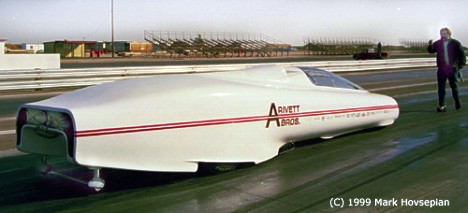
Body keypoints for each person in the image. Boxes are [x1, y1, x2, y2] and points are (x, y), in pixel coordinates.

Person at [428, 27, 466, 112]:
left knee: (454, 87)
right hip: (442, 69)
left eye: (444, 34)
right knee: (441, 88)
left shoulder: (455, 43)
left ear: (449, 34)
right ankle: (442, 106)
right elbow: (432, 51)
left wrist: (459, 66)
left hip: (452, 68)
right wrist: (430, 46)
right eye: (441, 34)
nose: (442, 35)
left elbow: (462, 56)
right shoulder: (438, 43)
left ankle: (457, 101)